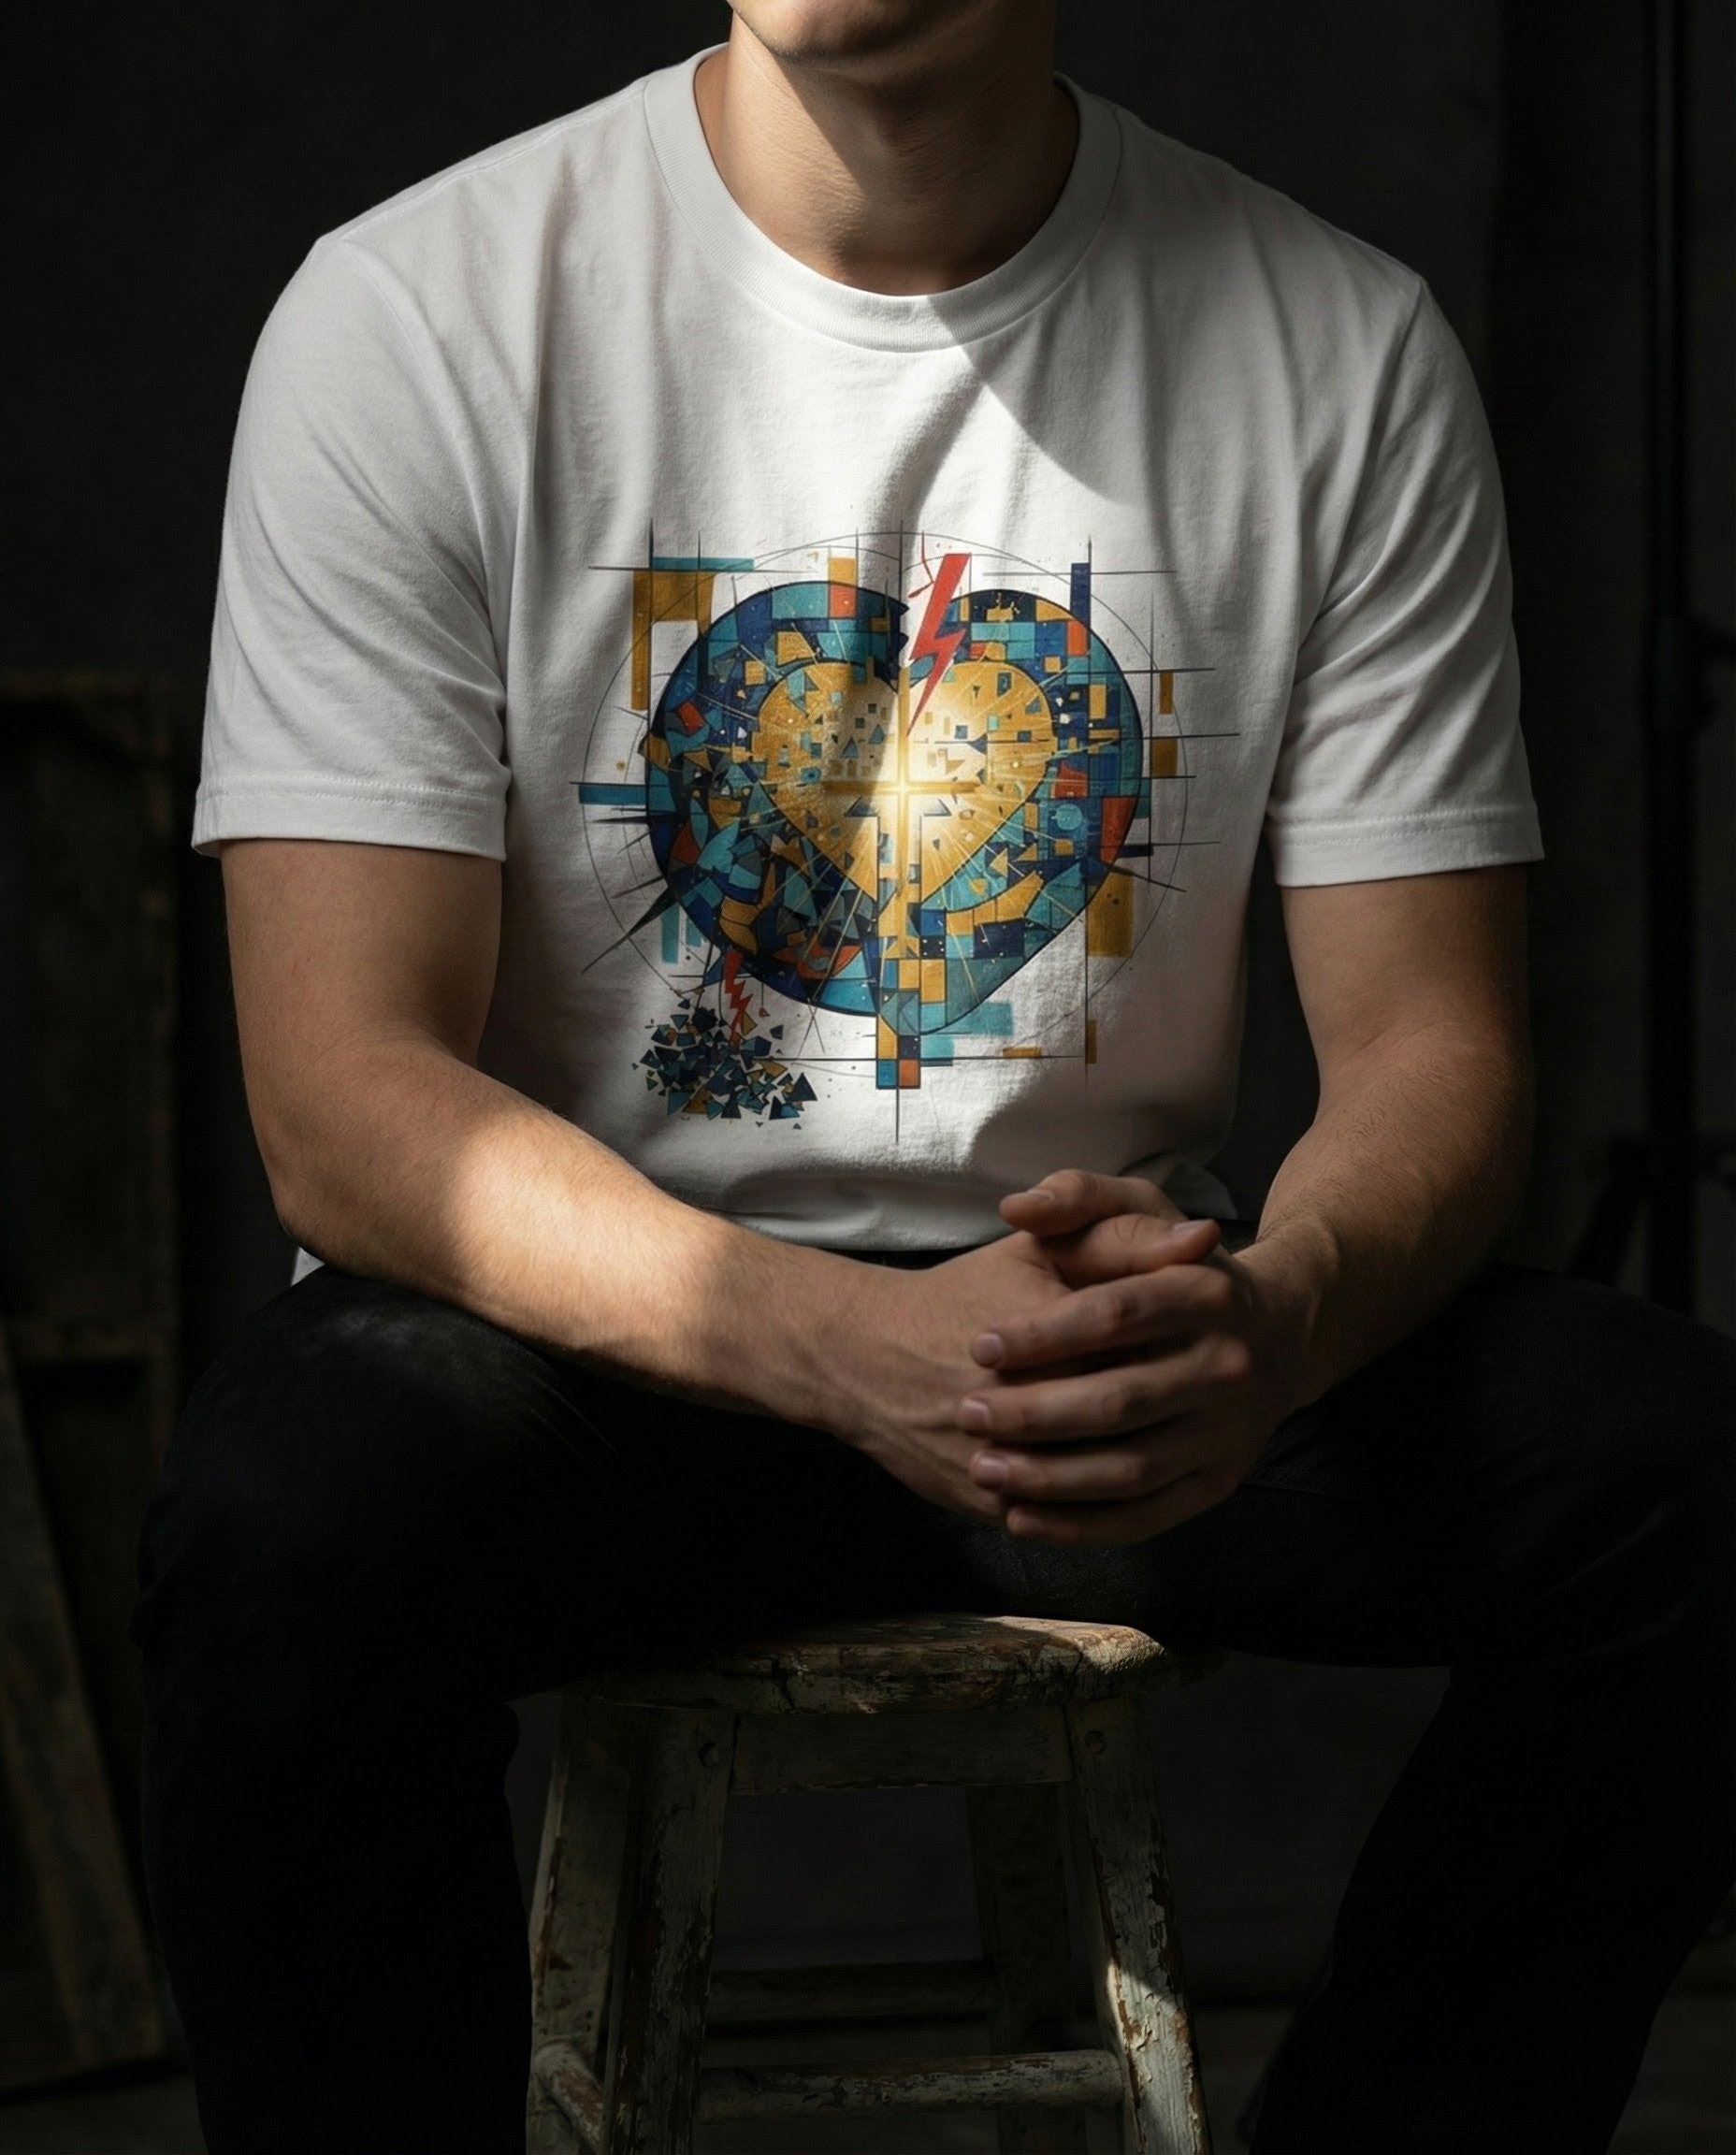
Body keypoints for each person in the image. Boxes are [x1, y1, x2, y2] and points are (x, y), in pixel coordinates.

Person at [134, 2, 1735, 2148]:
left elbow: (1435, 1047)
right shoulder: (419, 312)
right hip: (596, 1358)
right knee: (273, 1517)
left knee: (1687, 1482)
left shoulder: (1333, 346)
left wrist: (1273, 1319)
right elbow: (341, 1106)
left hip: (1099, 1360)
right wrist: (845, 1347)